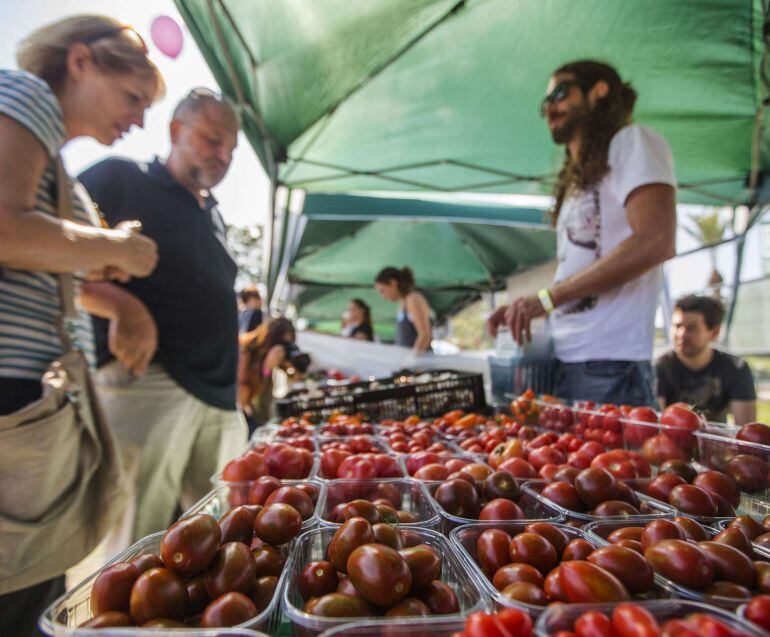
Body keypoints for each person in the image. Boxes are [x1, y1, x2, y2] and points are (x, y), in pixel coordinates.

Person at [0, 15, 162, 635]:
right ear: (80, 63)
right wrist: (116, 251)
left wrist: (111, 289)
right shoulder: (28, 95)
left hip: (24, 398)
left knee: (31, 586)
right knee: (22, 593)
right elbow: (6, 228)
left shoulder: (51, 157)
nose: (138, 120)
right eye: (132, 99)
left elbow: (33, 253)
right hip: (13, 401)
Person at [78, 87, 247, 545]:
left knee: (219, 536)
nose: (223, 155)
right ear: (176, 130)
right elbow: (49, 257)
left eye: (231, 148)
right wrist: (119, 304)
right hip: (150, 384)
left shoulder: (212, 213)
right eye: (213, 140)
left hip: (216, 396)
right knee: (135, 543)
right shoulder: (121, 179)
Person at [488, 60, 677, 407]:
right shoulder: (580, 181)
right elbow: (578, 267)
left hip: (611, 366)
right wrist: (527, 305)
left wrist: (547, 299)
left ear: (598, 91)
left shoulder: (632, 142)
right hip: (563, 359)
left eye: (559, 93)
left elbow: (655, 240)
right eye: (545, 102)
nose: (549, 107)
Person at [656, 294, 756, 424]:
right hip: (674, 442)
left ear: (714, 333)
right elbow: (657, 424)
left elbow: (745, 430)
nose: (681, 334)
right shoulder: (660, 367)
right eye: (677, 326)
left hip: (716, 442)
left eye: (691, 328)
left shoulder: (736, 368)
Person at [238, 318, 304, 428]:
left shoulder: (278, 355)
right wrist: (266, 369)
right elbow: (246, 400)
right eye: (281, 343)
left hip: (263, 417)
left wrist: (293, 366)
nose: (281, 348)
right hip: (247, 418)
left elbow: (297, 378)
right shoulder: (248, 352)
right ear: (270, 339)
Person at [375, 266, 432, 352]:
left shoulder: (413, 299)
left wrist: (410, 362)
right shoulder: (403, 303)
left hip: (417, 363)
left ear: (393, 283)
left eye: (382, 291)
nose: (383, 297)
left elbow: (425, 336)